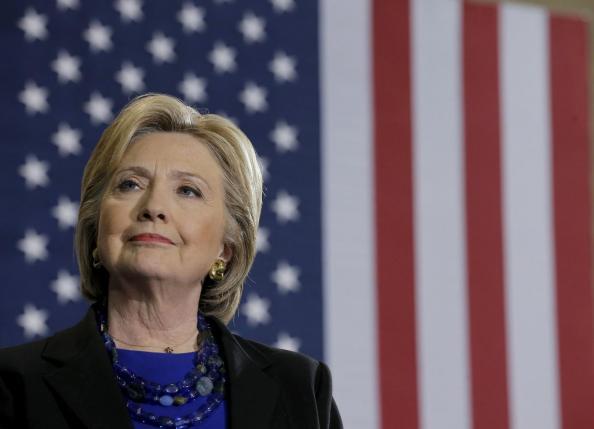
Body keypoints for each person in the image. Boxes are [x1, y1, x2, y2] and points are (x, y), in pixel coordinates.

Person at [0, 94, 343, 429]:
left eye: (188, 191)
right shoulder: (14, 385)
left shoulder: (301, 389)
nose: (153, 207)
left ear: (227, 248)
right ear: (96, 227)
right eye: (130, 184)